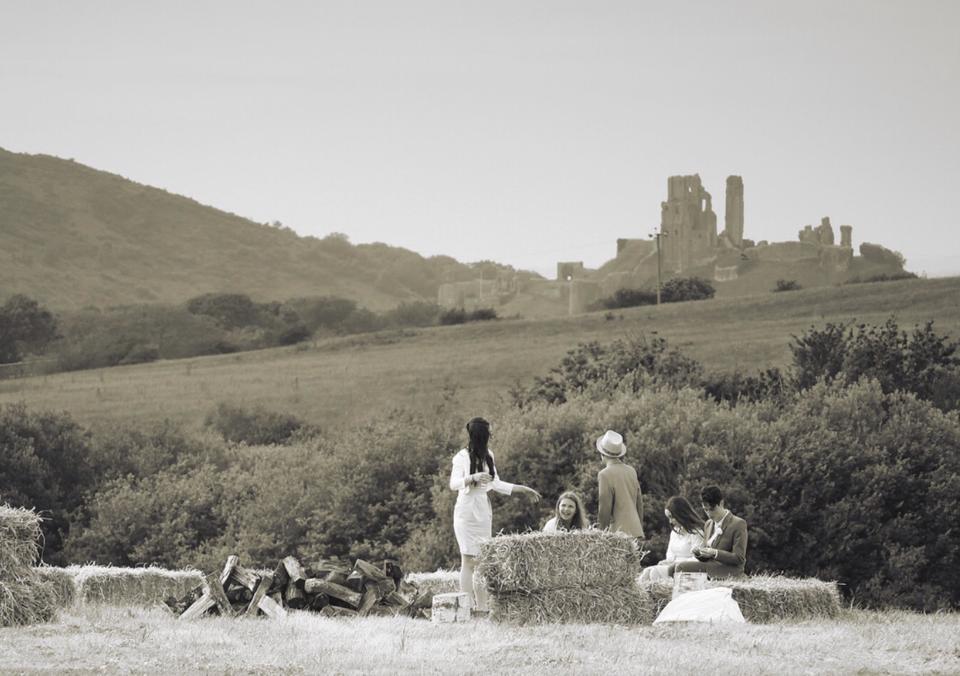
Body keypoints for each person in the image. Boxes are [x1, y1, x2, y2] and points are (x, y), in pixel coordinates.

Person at [449, 417, 541, 610]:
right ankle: (466, 607)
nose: (490, 436)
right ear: (480, 435)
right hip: (466, 511)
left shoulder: (489, 455)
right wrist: (472, 477)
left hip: (482, 510)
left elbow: (496, 484)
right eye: (488, 433)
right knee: (468, 559)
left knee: (483, 559)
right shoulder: (461, 457)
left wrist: (522, 489)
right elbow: (453, 484)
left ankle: (482, 608)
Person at [669, 485, 747, 579]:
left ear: (721, 503)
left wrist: (715, 553)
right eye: (706, 510)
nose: (709, 514)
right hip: (711, 566)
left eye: (712, 509)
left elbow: (739, 558)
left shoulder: (738, 523)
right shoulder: (708, 524)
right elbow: (706, 557)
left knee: (681, 567)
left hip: (729, 569)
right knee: (671, 569)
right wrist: (698, 553)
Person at [639, 495, 705, 582]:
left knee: (654, 572)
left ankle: (658, 594)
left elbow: (697, 559)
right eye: (668, 518)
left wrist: (675, 563)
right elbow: (670, 555)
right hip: (673, 567)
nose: (670, 521)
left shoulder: (696, 532)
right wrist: (666, 562)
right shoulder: (674, 533)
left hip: (687, 569)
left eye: (672, 517)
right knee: (646, 572)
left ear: (681, 514)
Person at [595, 430, 645, 540]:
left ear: (602, 454)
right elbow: (639, 503)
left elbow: (604, 508)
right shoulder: (631, 471)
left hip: (618, 534)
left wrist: (601, 534)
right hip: (636, 531)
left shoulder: (604, 474)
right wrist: (639, 527)